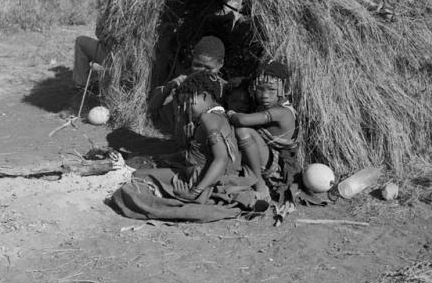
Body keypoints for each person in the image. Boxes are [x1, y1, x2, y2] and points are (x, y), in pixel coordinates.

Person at [111, 71, 246, 220]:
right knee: (143, 172)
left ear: (205, 96)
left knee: (136, 181)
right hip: (199, 175)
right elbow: (200, 154)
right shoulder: (214, 116)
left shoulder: (209, 119)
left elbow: (221, 159)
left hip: (208, 182)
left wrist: (194, 192)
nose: (186, 108)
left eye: (189, 102)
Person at [227, 60, 297, 201]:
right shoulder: (262, 106)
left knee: (243, 131)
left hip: (276, 168)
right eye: (260, 89)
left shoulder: (282, 112)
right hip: (262, 159)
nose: (265, 95)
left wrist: (228, 113)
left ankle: (259, 184)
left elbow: (243, 121)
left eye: (271, 90)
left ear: (285, 88)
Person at [148, 35, 227, 145]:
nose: (201, 71)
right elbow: (152, 110)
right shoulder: (182, 83)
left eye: (208, 68)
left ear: (220, 64)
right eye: (197, 65)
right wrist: (167, 89)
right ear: (192, 58)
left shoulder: (225, 90)